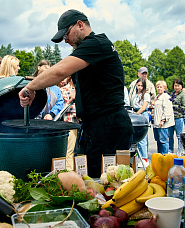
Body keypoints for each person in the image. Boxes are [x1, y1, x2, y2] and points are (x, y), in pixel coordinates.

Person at [18, 9, 134, 178]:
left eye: (66, 34)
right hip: (96, 126)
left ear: (80, 25)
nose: (65, 40)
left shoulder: (96, 43)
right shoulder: (91, 49)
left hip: (107, 126)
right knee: (91, 180)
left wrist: (31, 87)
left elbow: (60, 71)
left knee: (104, 182)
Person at [59, 76, 78, 171]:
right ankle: (69, 171)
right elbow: (68, 107)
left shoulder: (63, 90)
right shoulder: (67, 90)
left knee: (69, 151)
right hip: (71, 123)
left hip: (69, 123)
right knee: (69, 151)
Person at [132, 78, 150, 167]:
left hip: (142, 114)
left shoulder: (146, 95)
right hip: (136, 113)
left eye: (141, 85)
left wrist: (136, 114)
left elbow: (143, 107)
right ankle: (139, 157)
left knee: (143, 139)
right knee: (137, 139)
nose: (140, 87)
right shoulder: (136, 95)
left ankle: (144, 158)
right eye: (138, 85)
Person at [153, 81, 174, 154]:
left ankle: (165, 155)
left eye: (160, 87)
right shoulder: (157, 97)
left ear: (164, 88)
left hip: (162, 124)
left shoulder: (166, 97)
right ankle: (159, 155)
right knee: (158, 140)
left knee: (163, 140)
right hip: (156, 122)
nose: (159, 88)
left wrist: (163, 120)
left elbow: (167, 110)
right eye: (157, 87)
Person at [168, 79, 185, 155]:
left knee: (179, 136)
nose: (176, 87)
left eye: (178, 85)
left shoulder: (183, 95)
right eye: (175, 85)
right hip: (171, 118)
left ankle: (180, 151)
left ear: (181, 86)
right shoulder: (172, 94)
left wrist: (173, 106)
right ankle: (170, 150)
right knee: (170, 135)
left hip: (178, 117)